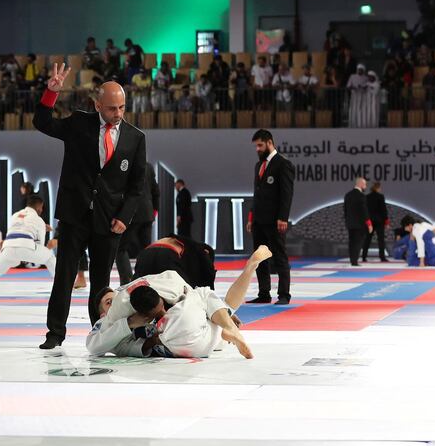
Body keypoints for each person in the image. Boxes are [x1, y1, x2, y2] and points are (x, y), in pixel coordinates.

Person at [34, 63, 147, 350]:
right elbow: (43, 123)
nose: (118, 114)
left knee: (100, 286)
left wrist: (125, 217)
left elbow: (136, 187)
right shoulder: (78, 124)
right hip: (75, 215)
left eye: (122, 107)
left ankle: (99, 333)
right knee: (64, 277)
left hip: (109, 221)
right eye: (111, 108)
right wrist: (51, 94)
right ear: (97, 105)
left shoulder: (135, 138)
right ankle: (55, 333)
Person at [87, 245, 271, 359]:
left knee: (224, 308)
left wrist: (218, 310)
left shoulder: (136, 297)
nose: (116, 301)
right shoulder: (106, 324)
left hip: (199, 336)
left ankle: (249, 272)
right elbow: (93, 346)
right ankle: (229, 322)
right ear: (102, 313)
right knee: (205, 295)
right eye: (109, 302)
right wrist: (128, 325)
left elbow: (182, 294)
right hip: (174, 340)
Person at [246, 130, 294, 305]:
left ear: (270, 143)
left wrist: (283, 217)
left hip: (275, 220)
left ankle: (284, 294)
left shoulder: (283, 164)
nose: (257, 149)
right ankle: (264, 293)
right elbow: (256, 194)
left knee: (279, 255)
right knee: (259, 258)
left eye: (260, 145)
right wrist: (251, 217)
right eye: (256, 146)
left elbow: (286, 194)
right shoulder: (258, 166)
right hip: (259, 219)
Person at [0, 195, 55, 292]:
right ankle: (61, 283)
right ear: (38, 207)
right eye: (41, 207)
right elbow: (39, 244)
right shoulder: (39, 220)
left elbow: (20, 228)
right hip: (26, 246)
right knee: (50, 257)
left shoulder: (15, 215)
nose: (41, 210)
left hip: (8, 246)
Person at [115, 164, 159, 285]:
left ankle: (127, 281)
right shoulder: (148, 167)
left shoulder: (124, 164)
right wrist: (154, 210)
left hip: (130, 213)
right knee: (146, 250)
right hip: (147, 213)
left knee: (120, 249)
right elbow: (156, 190)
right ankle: (145, 280)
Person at [344, 177, 373, 267]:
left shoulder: (347, 195)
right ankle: (355, 261)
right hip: (360, 224)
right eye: (364, 184)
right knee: (358, 242)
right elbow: (364, 211)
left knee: (351, 242)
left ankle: (352, 260)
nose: (365, 186)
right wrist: (369, 224)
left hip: (350, 223)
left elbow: (345, 210)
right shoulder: (361, 196)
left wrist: (347, 220)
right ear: (360, 184)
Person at [361, 182, 389, 262]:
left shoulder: (367, 197)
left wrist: (366, 220)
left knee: (367, 239)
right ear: (377, 188)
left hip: (370, 220)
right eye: (380, 188)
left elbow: (365, 210)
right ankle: (382, 257)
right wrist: (386, 221)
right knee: (381, 239)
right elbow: (383, 210)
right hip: (380, 221)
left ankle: (364, 256)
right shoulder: (380, 197)